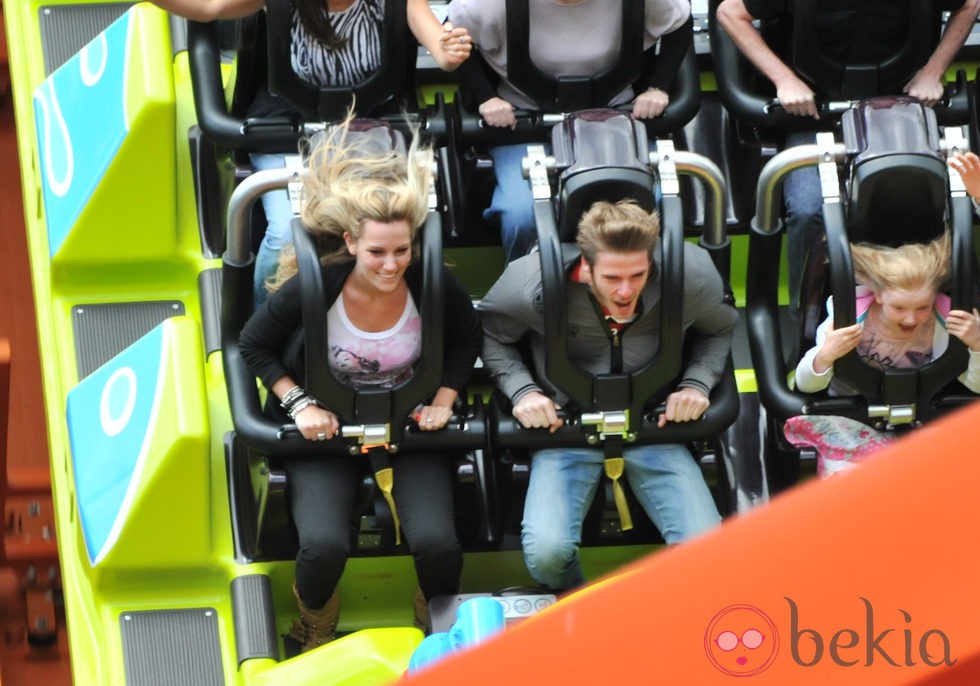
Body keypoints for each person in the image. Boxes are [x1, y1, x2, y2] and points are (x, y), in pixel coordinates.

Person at [238, 115, 483, 649]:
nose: (391, 264)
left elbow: (467, 340)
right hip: (329, 433)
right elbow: (254, 345)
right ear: (350, 242)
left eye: (402, 250)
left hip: (410, 427)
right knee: (322, 547)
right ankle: (317, 619)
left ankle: (435, 620)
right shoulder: (316, 285)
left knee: (439, 543)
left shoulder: (431, 281)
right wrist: (299, 403)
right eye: (377, 252)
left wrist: (444, 398)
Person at [477, 199, 737, 592]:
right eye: (613, 277)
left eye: (638, 275)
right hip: (567, 428)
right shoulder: (531, 283)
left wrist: (696, 384)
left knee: (708, 553)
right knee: (547, 555)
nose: (626, 290)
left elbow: (719, 329)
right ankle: (583, 609)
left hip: (651, 424)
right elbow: (492, 337)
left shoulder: (691, 276)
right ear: (586, 269)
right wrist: (523, 391)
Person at [149, 0, 472, 303]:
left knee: (392, 232)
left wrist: (448, 50)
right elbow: (207, 7)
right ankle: (266, 320)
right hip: (289, 128)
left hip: (369, 130)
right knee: (286, 236)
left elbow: (439, 48)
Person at [715, 0, 980, 315]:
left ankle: (931, 315)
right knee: (807, 208)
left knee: (920, 201)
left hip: (896, 111)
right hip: (813, 114)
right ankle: (808, 318)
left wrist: (932, 73)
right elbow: (729, 12)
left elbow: (969, 4)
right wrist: (784, 79)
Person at [446, 0, 694, 263]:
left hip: (614, 117)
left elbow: (679, 22)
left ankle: (643, 289)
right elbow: (451, 35)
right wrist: (486, 97)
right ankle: (525, 293)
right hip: (525, 123)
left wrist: (658, 87)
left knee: (653, 198)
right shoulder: (488, 5)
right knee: (521, 214)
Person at [786, 232, 980, 476]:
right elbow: (806, 385)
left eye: (922, 308)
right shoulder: (847, 319)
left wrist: (977, 345)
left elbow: (976, 386)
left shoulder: (944, 322)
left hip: (923, 415)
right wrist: (826, 355)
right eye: (899, 308)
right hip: (852, 417)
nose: (911, 318)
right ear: (877, 295)